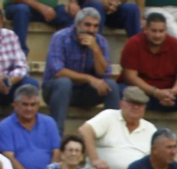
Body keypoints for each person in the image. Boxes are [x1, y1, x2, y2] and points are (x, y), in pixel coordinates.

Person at [121, 10, 177, 153]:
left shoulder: (174, 44)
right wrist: (155, 92)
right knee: (120, 90)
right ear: (145, 29)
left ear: (166, 31)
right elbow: (130, 76)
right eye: (154, 31)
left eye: (161, 31)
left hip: (168, 97)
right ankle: (122, 135)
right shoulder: (133, 43)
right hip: (142, 95)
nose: (157, 35)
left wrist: (172, 92)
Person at [41, 7, 119, 135]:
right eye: (87, 25)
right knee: (64, 83)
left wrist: (95, 50)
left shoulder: (100, 41)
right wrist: (89, 78)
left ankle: (112, 135)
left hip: (83, 92)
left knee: (111, 86)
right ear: (77, 24)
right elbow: (57, 71)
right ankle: (56, 135)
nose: (91, 30)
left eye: (95, 26)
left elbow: (104, 73)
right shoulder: (60, 37)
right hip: (56, 90)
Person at [79, 88, 156, 169]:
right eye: (131, 103)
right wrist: (95, 160)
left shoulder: (151, 129)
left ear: (144, 108)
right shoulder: (109, 116)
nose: (136, 107)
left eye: (140, 104)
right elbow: (85, 130)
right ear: (121, 104)